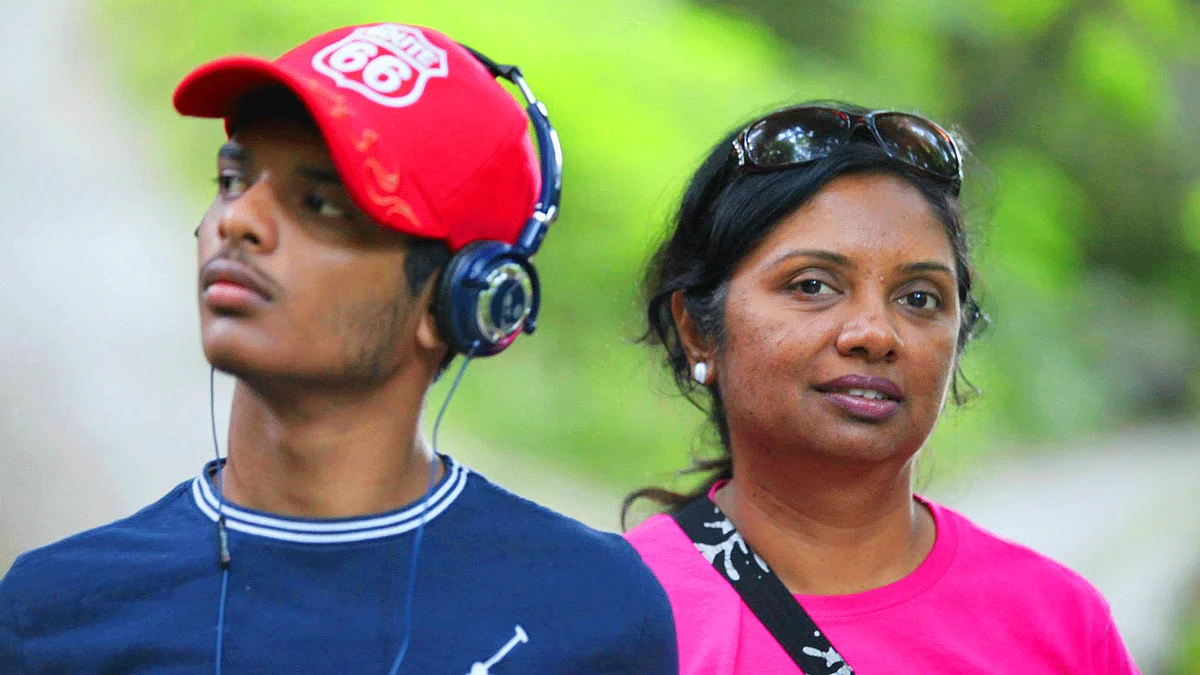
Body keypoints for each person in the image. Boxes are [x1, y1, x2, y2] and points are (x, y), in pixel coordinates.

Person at [0, 23, 676, 674]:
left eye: (320, 202)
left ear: (462, 300)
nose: (236, 221)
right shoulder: (52, 613)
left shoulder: (596, 610)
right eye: (233, 181)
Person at [623, 103, 1139, 674]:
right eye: (813, 285)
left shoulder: (1060, 623)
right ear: (698, 331)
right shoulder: (623, 620)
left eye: (919, 298)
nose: (875, 333)